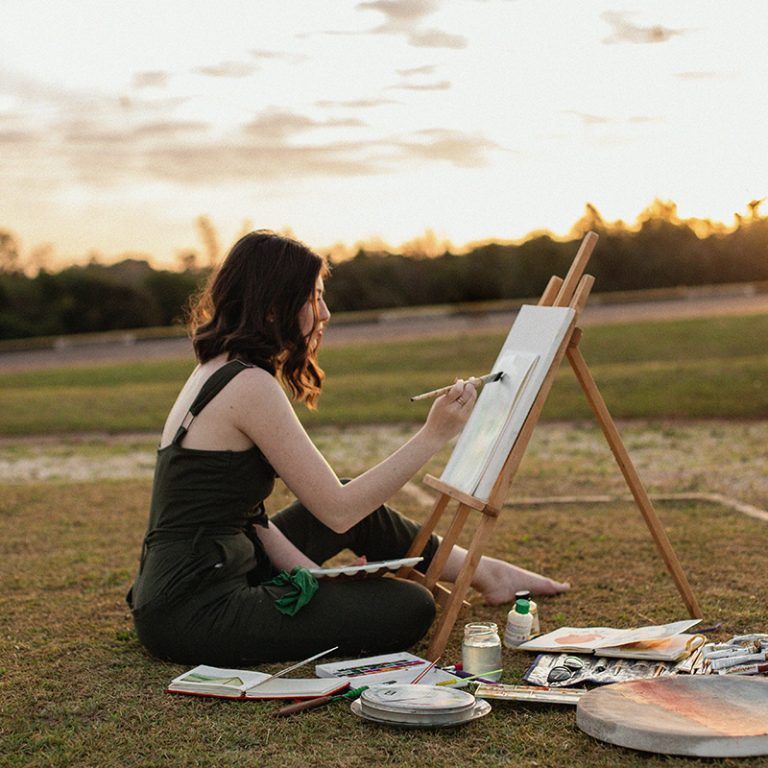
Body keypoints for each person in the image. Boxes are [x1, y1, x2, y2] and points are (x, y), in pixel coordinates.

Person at [126, 230, 568, 666]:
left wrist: (312, 576)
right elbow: (338, 510)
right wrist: (434, 434)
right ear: (276, 305)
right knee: (409, 606)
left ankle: (486, 571)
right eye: (314, 297)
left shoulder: (219, 369)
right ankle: (481, 572)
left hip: (200, 576)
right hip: (195, 610)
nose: (325, 312)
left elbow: (247, 518)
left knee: (361, 506)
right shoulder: (248, 384)